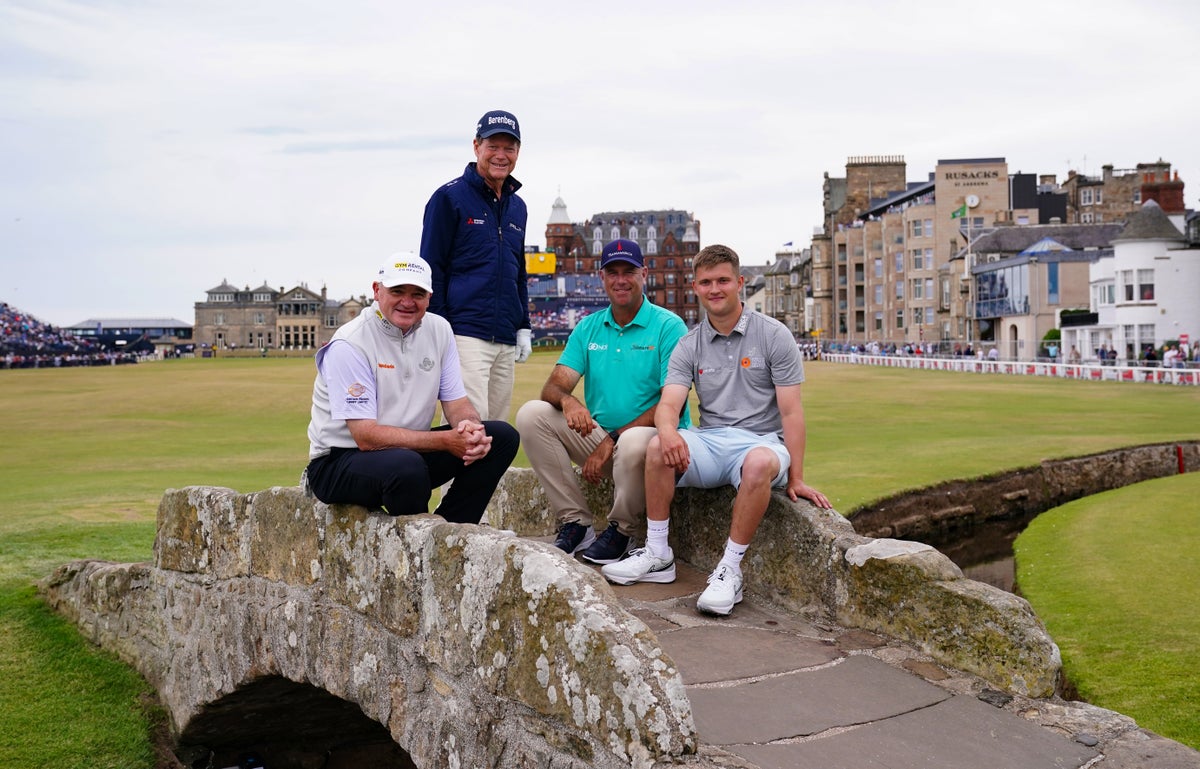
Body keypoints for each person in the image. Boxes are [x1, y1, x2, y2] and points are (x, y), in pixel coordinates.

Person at [601, 245, 832, 616]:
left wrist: (797, 477)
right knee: (659, 446)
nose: (715, 289)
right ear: (695, 287)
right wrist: (669, 431)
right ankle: (659, 554)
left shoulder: (773, 335)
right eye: (706, 282)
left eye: (723, 280)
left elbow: (791, 412)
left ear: (739, 282)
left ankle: (729, 570)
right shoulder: (688, 344)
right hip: (710, 440)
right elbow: (669, 405)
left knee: (757, 464)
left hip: (761, 442)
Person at [305, 254, 519, 523]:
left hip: (408, 452)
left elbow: (456, 403)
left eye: (417, 293)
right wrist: (446, 441)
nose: (407, 302)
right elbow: (365, 437)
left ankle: (452, 531)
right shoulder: (351, 342)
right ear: (376, 291)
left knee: (500, 438)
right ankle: (420, 547)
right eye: (397, 291)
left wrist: (469, 429)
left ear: (429, 297)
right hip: (339, 461)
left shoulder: (439, 329)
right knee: (407, 467)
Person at [515, 239, 689, 563]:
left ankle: (622, 530)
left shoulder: (668, 325)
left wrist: (611, 439)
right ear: (602, 277)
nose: (620, 280)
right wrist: (569, 402)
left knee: (635, 440)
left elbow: (671, 403)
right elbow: (554, 386)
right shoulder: (589, 327)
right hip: (604, 443)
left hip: (653, 447)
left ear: (644, 274)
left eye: (628, 272)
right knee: (532, 414)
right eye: (613, 273)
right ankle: (577, 523)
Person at [420, 109, 532, 421]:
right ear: (476, 146)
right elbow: (432, 269)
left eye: (509, 148)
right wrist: (439, 330)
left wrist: (523, 325)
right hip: (464, 334)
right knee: (468, 427)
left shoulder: (518, 207)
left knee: (497, 429)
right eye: (492, 146)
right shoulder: (449, 197)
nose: (501, 155)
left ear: (518, 152)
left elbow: (517, 270)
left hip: (505, 337)